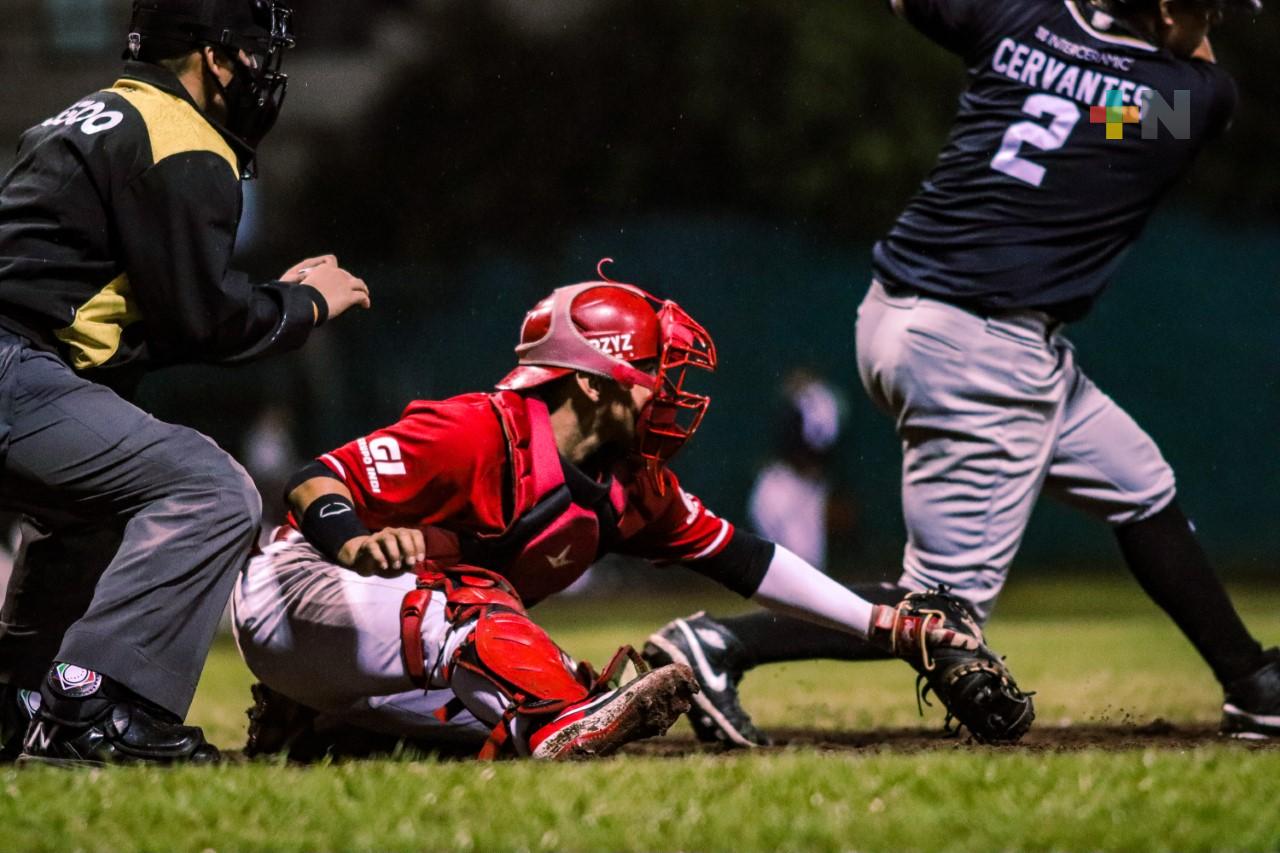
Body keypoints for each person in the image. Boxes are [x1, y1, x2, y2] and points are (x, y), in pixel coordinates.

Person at [644, 0, 1279, 747]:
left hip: (900, 313)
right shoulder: (1193, 97)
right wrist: (1145, 44)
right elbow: (1140, 106)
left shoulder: (1020, 17)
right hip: (985, 349)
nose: (1219, 17)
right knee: (941, 612)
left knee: (1139, 485)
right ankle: (721, 645)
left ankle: (1253, 682)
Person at [231, 273, 980, 760]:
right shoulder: (477, 430)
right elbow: (314, 477)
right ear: (592, 383)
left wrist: (884, 625)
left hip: (386, 636)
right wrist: (355, 541)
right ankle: (555, 714)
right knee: (515, 652)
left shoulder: (632, 485)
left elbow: (746, 560)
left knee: (508, 715)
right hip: (295, 590)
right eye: (653, 373)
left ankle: (324, 726)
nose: (667, 392)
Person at [0, 0, 371, 765]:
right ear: (213, 56)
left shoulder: (93, 113)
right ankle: (100, 703)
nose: (264, 71)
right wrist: (302, 304)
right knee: (209, 489)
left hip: (23, 362)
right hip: (13, 365)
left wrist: (264, 300)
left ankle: (22, 701)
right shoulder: (184, 138)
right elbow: (201, 320)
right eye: (254, 52)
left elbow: (126, 317)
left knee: (94, 510)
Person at [747, 370, 853, 572]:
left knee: (806, 560)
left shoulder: (819, 401)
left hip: (804, 483)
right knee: (786, 554)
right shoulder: (824, 401)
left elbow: (816, 444)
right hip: (787, 478)